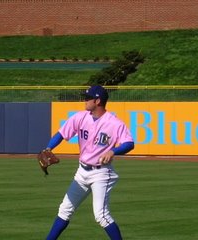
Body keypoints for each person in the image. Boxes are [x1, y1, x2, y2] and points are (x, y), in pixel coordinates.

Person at [44, 85, 135, 240]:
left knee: (101, 215)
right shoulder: (80, 117)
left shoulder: (114, 123)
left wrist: (113, 151)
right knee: (64, 210)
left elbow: (129, 143)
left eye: (88, 98)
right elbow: (61, 134)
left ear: (98, 101)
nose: (84, 100)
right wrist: (48, 148)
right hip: (82, 172)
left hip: (101, 173)